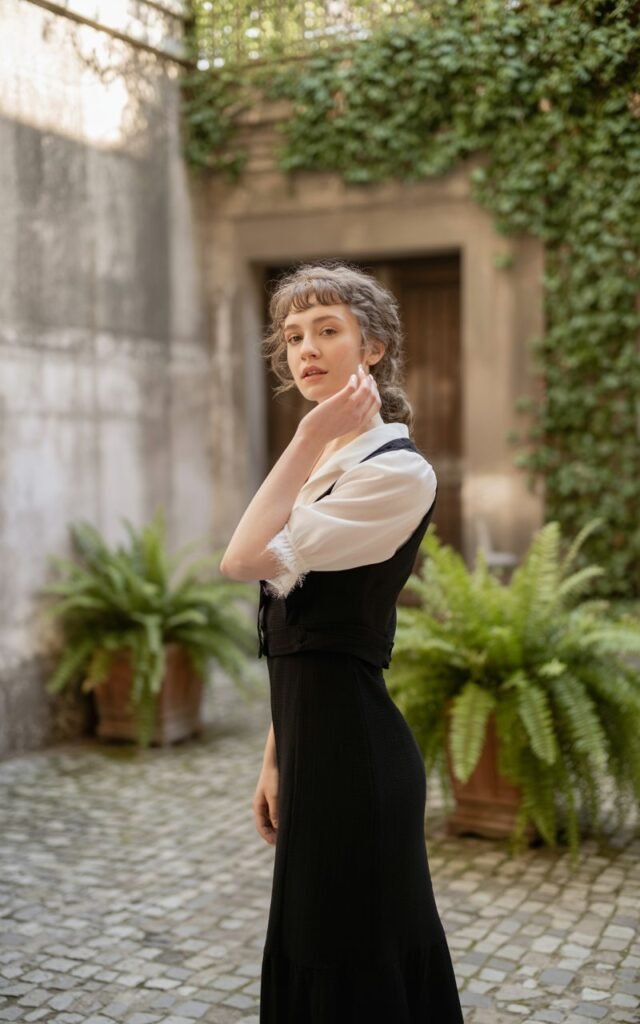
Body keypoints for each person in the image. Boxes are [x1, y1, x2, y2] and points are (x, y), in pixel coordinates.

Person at [219, 261, 464, 1023]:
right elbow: (297, 638)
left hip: (356, 757)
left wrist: (306, 432)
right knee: (313, 943)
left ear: (374, 348)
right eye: (293, 335)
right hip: (313, 746)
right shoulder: (325, 463)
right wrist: (274, 756)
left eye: (328, 330)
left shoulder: (397, 472)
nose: (305, 349)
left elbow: (241, 560)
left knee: (351, 960)